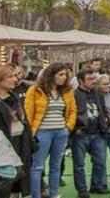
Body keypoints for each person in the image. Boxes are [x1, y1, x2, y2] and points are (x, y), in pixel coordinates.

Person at [0, 64, 33, 197]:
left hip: (20, 146)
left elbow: (24, 123)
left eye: (15, 75)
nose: (16, 79)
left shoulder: (15, 98)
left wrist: (31, 143)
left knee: (16, 187)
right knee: (1, 187)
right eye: (11, 76)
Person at [26, 64, 75, 198]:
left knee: (56, 164)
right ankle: (36, 195)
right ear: (51, 75)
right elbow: (28, 112)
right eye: (60, 75)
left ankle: (53, 193)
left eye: (65, 75)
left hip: (61, 131)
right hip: (42, 131)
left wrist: (68, 127)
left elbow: (72, 111)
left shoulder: (67, 91)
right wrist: (31, 132)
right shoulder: (35, 90)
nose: (64, 78)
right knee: (37, 166)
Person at [71, 69, 109, 198]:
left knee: (100, 161)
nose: (93, 81)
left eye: (94, 79)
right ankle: (82, 189)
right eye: (90, 79)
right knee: (79, 164)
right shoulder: (74, 95)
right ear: (80, 81)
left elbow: (103, 110)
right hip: (81, 133)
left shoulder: (98, 94)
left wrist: (105, 123)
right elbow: (70, 113)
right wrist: (75, 129)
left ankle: (96, 185)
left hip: (97, 132)